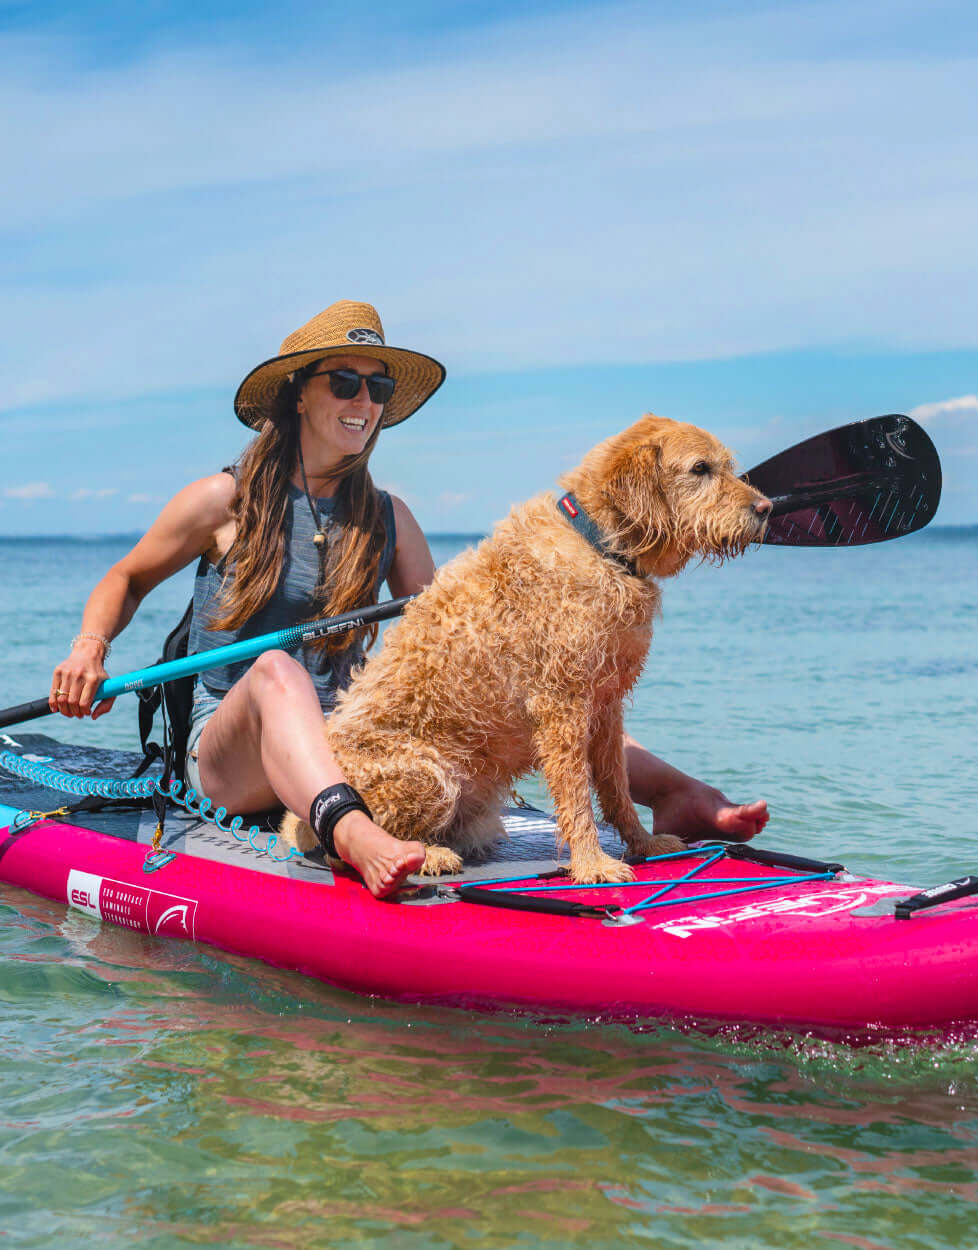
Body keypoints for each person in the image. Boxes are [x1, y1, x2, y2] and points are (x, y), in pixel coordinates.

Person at [50, 300, 768, 899]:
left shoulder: (389, 519)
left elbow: (468, 657)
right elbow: (126, 579)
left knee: (551, 684)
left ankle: (681, 795)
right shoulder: (225, 499)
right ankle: (358, 838)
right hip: (231, 756)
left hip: (344, 751)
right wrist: (90, 648)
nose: (364, 402)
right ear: (299, 392)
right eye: (344, 383)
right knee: (277, 669)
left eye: (378, 390)